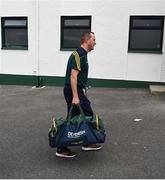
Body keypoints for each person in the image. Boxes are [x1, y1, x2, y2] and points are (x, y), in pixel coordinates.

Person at [56, 32, 102, 158]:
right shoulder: (79, 54)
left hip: (76, 90)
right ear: (87, 40)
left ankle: (71, 144)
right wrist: (76, 96)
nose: (95, 42)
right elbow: (73, 76)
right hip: (73, 90)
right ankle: (67, 147)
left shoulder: (83, 55)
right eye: (93, 39)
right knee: (87, 114)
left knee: (75, 117)